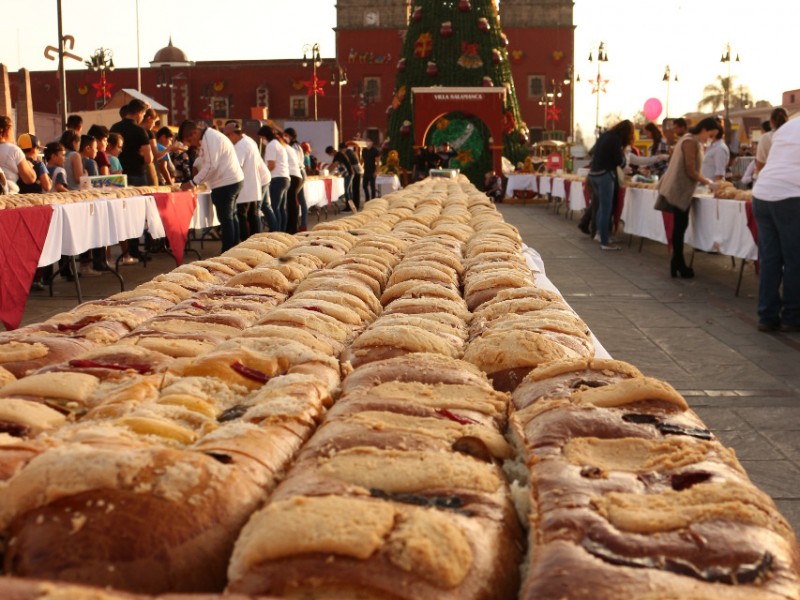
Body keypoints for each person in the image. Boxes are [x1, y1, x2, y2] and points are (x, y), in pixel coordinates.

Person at [655, 117, 722, 278]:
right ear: (704, 129)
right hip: (679, 189)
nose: (710, 139)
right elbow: (690, 170)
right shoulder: (690, 142)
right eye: (710, 135)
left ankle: (676, 262)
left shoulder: (690, 140)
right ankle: (679, 263)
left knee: (680, 227)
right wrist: (708, 183)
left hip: (681, 189)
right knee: (680, 227)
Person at [751, 117, 800, 333]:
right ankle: (792, 316)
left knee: (770, 259)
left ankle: (766, 316)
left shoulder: (788, 127)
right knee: (794, 260)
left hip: (762, 193)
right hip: (790, 196)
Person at [180, 120, 244, 252]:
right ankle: (236, 247)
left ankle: (228, 252)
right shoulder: (209, 137)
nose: (192, 144)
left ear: (194, 132)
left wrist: (193, 182)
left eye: (190, 140)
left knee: (226, 219)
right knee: (231, 216)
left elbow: (210, 166)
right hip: (230, 180)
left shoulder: (209, 138)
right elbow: (206, 163)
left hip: (225, 183)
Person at [110, 99, 153, 261]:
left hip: (118, 177)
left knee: (123, 214)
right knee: (137, 214)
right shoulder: (140, 131)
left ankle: (125, 250)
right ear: (139, 113)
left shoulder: (115, 128)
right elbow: (149, 159)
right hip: (137, 174)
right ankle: (134, 249)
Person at [585, 119, 634, 251]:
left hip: (593, 175)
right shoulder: (616, 140)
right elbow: (618, 159)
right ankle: (605, 242)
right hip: (604, 175)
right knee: (606, 209)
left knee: (601, 207)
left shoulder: (605, 135)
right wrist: (624, 165)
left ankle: (599, 234)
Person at [223, 121, 263, 241]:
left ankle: (245, 243)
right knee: (253, 216)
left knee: (242, 216)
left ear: (233, 134)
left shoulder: (240, 145)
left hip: (244, 186)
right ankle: (257, 241)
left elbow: (237, 167)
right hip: (253, 184)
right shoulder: (250, 141)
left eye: (228, 137)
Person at [260, 125, 291, 230]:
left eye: (262, 137)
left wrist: (262, 174)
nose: (261, 140)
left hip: (276, 178)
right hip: (284, 178)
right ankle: (282, 231)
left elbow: (271, 165)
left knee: (274, 208)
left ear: (265, 136)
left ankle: (276, 231)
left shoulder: (271, 145)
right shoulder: (279, 144)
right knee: (281, 208)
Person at [0, 116, 37, 193]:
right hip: (8, 196)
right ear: (7, 131)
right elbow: (30, 178)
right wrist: (29, 166)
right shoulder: (14, 150)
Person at [283, 127, 305, 233]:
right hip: (298, 173)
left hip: (296, 172)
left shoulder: (293, 146)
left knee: (294, 201)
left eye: (285, 135)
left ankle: (296, 226)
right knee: (295, 200)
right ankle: (296, 225)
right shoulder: (295, 145)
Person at [755, 107, 788, 176]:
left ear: (771, 121)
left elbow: (760, 165)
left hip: (770, 177)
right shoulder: (793, 136)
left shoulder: (765, 138)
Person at [324, 144, 353, 210]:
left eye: (329, 154)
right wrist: (338, 173)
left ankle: (348, 207)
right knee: (349, 190)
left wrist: (326, 172)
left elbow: (334, 165)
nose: (329, 156)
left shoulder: (338, 155)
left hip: (348, 174)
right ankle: (351, 206)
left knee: (347, 191)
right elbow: (335, 165)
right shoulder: (338, 155)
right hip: (348, 173)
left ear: (331, 152)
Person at [344, 143, 362, 210]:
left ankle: (355, 206)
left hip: (356, 172)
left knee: (355, 190)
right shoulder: (352, 152)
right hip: (358, 171)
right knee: (356, 190)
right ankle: (356, 205)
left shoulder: (348, 154)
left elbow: (348, 164)